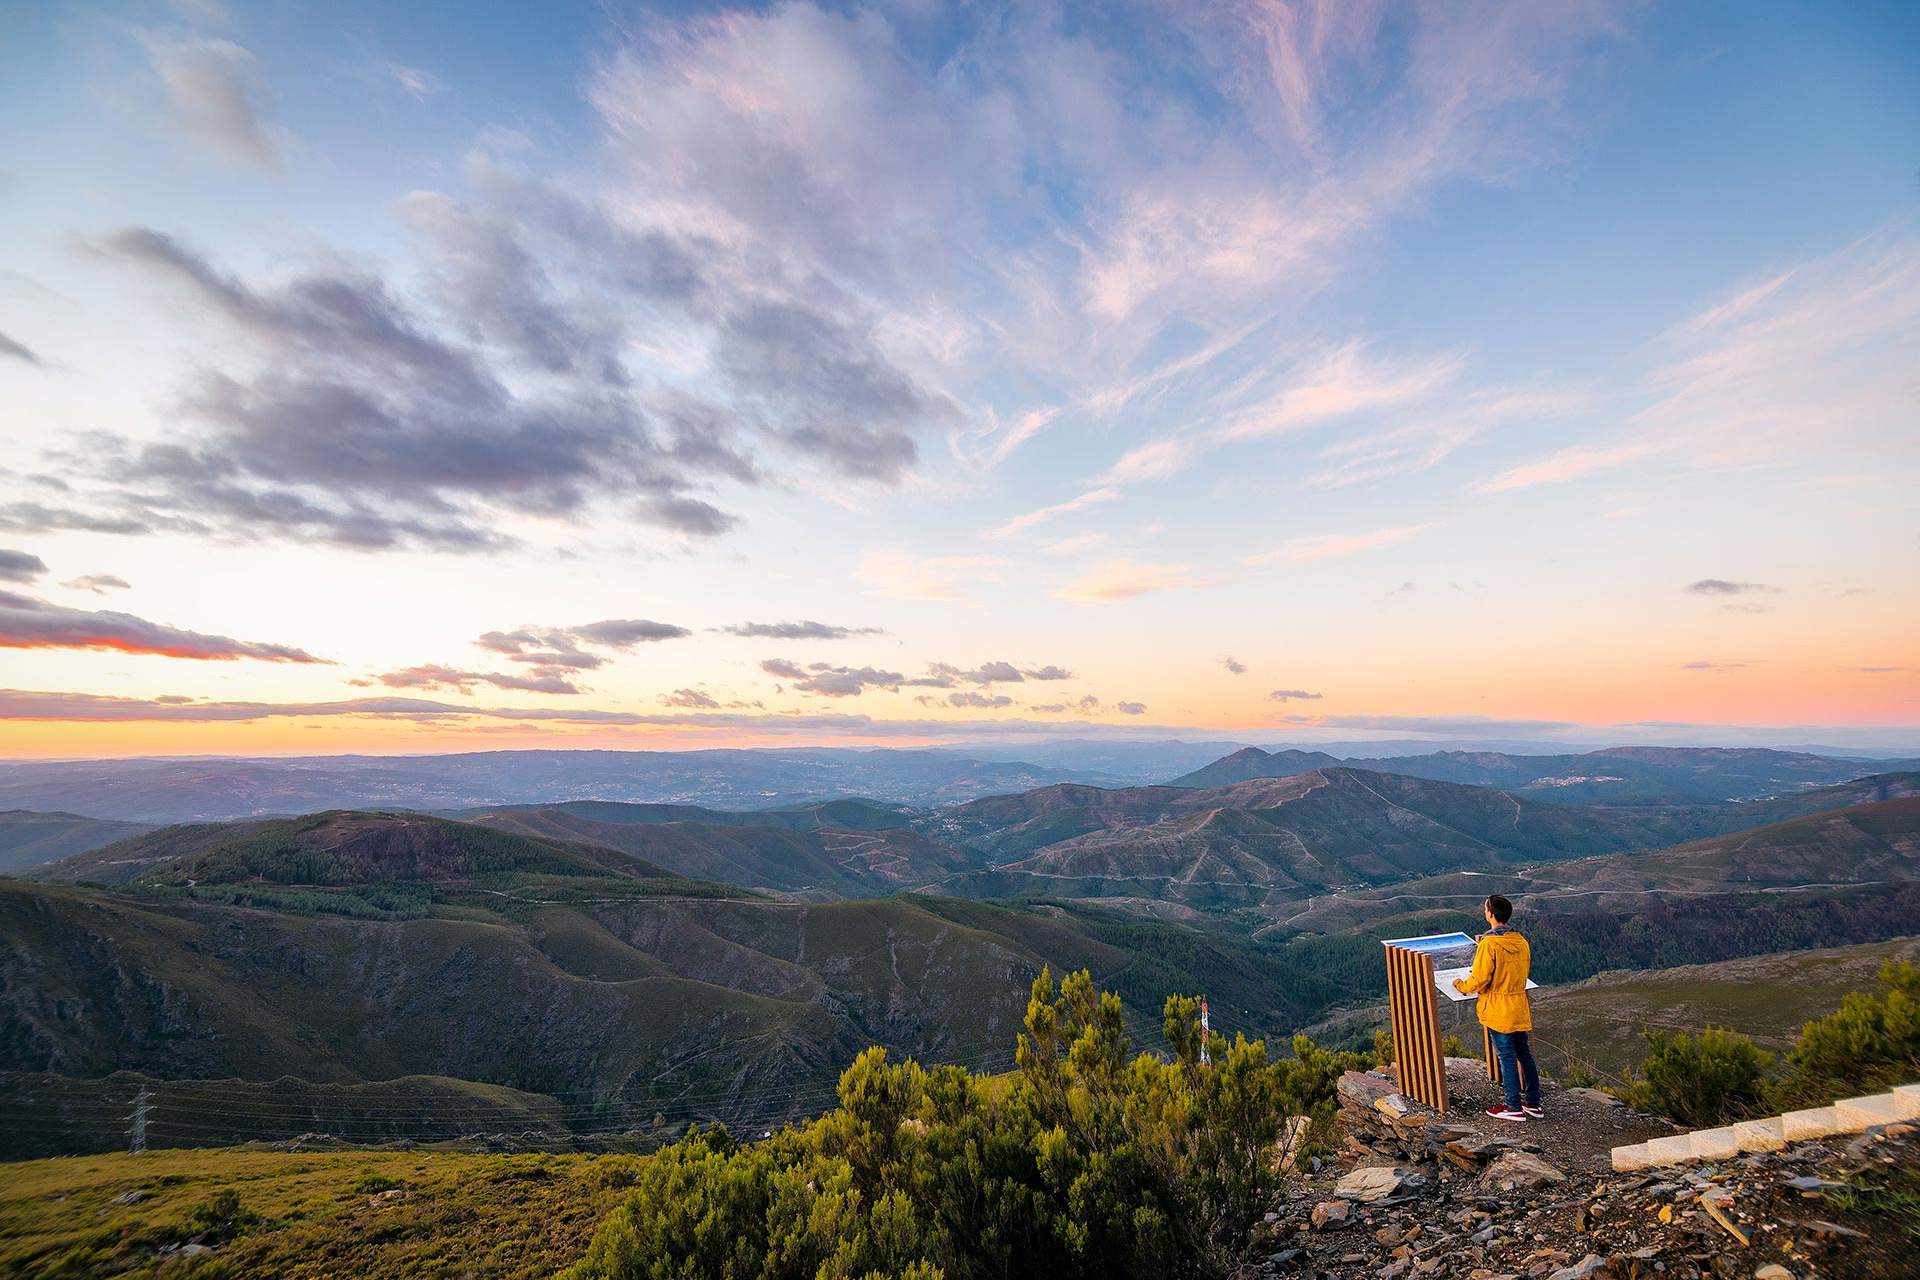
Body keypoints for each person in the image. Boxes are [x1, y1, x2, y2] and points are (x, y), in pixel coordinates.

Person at [1452, 894, 1542, 1122]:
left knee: (1506, 1057)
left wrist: (1461, 985)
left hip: (1498, 1008)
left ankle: (1512, 1106)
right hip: (1518, 1006)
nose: (1484, 912)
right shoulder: (1521, 941)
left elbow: (1480, 979)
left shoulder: (1489, 944)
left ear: (1491, 914)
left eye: (1485, 909)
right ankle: (1533, 1103)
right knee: (1525, 1055)